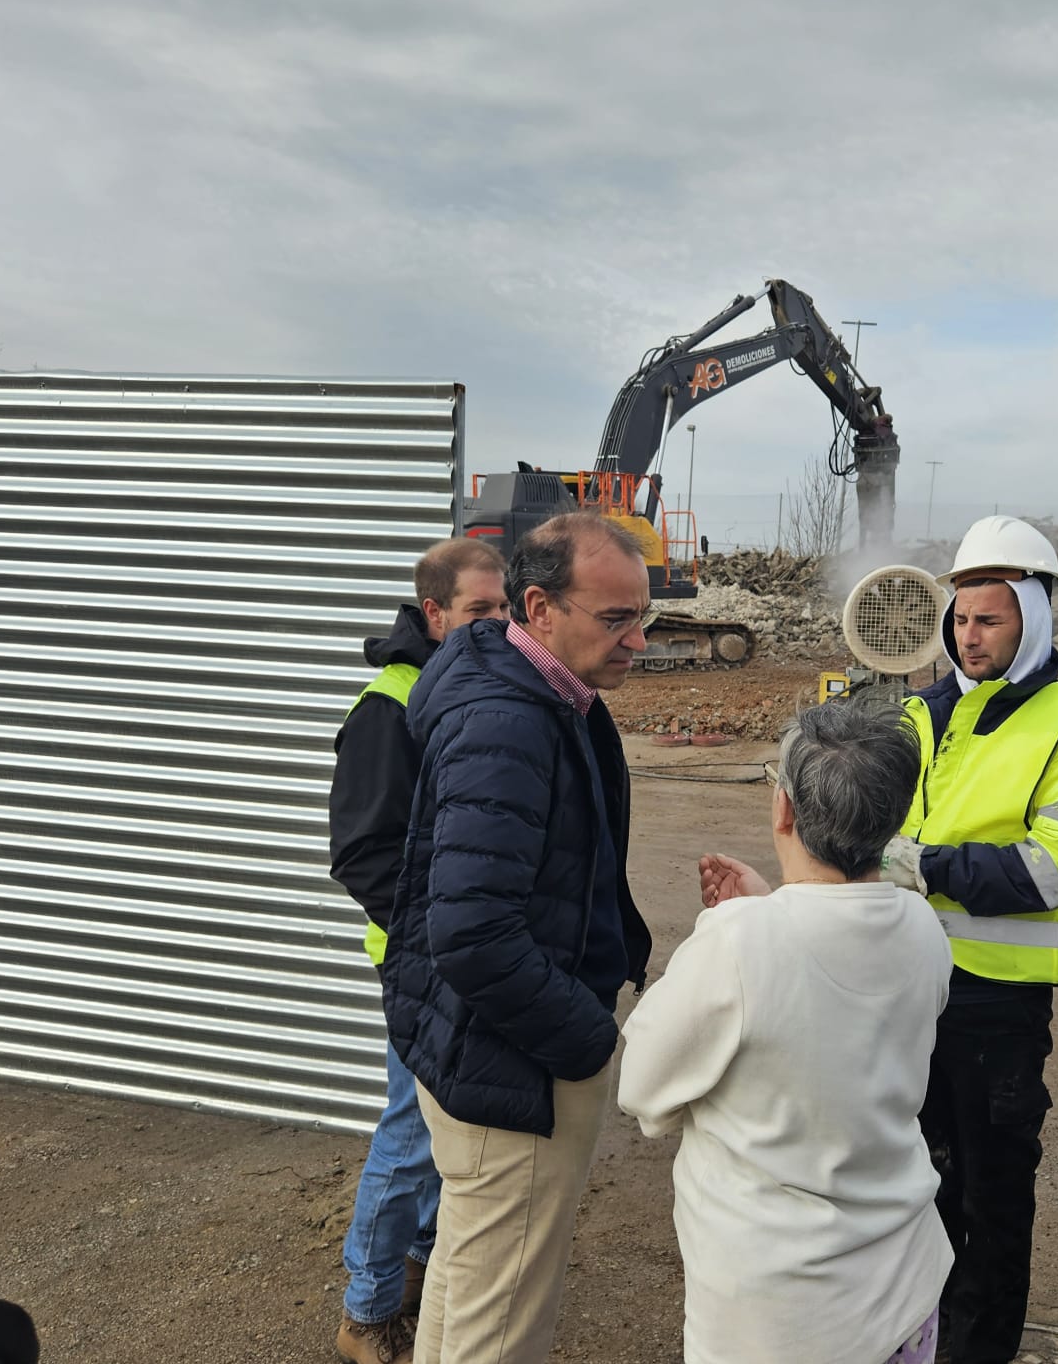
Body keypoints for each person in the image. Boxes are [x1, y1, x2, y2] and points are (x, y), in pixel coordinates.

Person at [380, 512, 654, 1364]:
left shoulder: (546, 694)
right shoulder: (510, 720)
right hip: (517, 1066)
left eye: (644, 616)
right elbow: (471, 933)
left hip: (489, 1048)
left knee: (468, 1283)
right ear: (537, 607)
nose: (638, 641)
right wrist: (586, 1041)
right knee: (501, 1321)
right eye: (616, 620)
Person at [617, 700, 954, 1364]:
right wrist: (771, 905)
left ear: (784, 810)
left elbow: (643, 1088)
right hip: (903, 1285)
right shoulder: (922, 926)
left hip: (780, 1317)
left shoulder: (740, 942)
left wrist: (746, 923)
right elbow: (833, 995)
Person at [880, 515, 1058, 1363]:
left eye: (988, 619)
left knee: (987, 1209)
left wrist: (925, 866)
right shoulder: (918, 711)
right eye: (959, 618)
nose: (969, 634)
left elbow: (1055, 870)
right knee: (907, 1197)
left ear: (1033, 618)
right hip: (899, 993)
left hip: (993, 1009)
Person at [328, 536, 509, 1364]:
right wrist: (431, 940)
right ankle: (364, 1315)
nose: (498, 626)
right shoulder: (389, 706)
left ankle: (414, 1271)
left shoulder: (467, 684)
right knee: (410, 1131)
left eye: (506, 610)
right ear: (433, 614)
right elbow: (362, 855)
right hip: (418, 957)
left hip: (461, 950)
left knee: (446, 1128)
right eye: (479, 612)